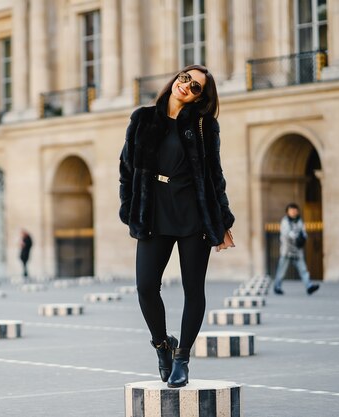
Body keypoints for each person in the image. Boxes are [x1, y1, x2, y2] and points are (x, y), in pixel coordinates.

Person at [118, 65, 235, 388]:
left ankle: (182, 358)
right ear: (175, 79)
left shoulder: (202, 125)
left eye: (196, 87)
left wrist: (222, 220)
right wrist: (129, 207)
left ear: (201, 97)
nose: (187, 86)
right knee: (145, 287)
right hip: (154, 214)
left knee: (193, 290)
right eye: (185, 79)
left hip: (192, 214)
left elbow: (215, 176)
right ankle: (162, 346)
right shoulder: (142, 118)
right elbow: (126, 167)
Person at [273, 203, 319, 295]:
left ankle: (309, 286)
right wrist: (298, 237)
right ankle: (277, 286)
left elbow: (303, 232)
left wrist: (303, 237)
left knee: (303, 269)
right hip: (287, 250)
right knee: (282, 270)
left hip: (297, 251)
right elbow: (287, 233)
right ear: (287, 212)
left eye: (295, 210)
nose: (293, 212)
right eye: (291, 210)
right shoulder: (285, 221)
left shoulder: (299, 221)